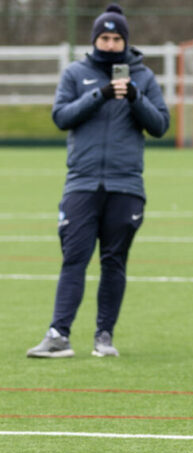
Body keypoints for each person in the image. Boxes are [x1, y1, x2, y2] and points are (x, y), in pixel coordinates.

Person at [27, 3, 169, 359]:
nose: (109, 44)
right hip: (82, 183)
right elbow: (61, 116)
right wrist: (100, 93)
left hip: (126, 186)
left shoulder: (144, 77)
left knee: (114, 261)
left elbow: (160, 126)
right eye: (103, 37)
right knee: (74, 258)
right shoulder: (76, 73)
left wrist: (134, 96)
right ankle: (58, 335)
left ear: (125, 41)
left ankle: (104, 337)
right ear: (94, 40)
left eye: (116, 37)